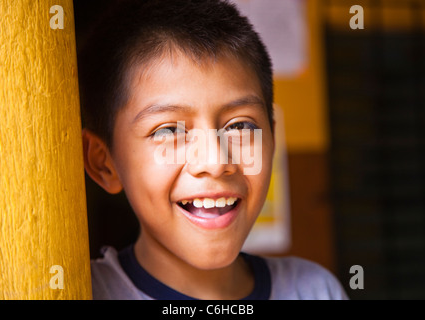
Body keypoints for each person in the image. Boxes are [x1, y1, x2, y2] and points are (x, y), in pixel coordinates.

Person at [78, 0, 348, 300]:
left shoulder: (314, 291)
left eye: (240, 126)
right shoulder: (81, 294)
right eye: (169, 130)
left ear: (272, 138)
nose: (216, 161)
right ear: (105, 164)